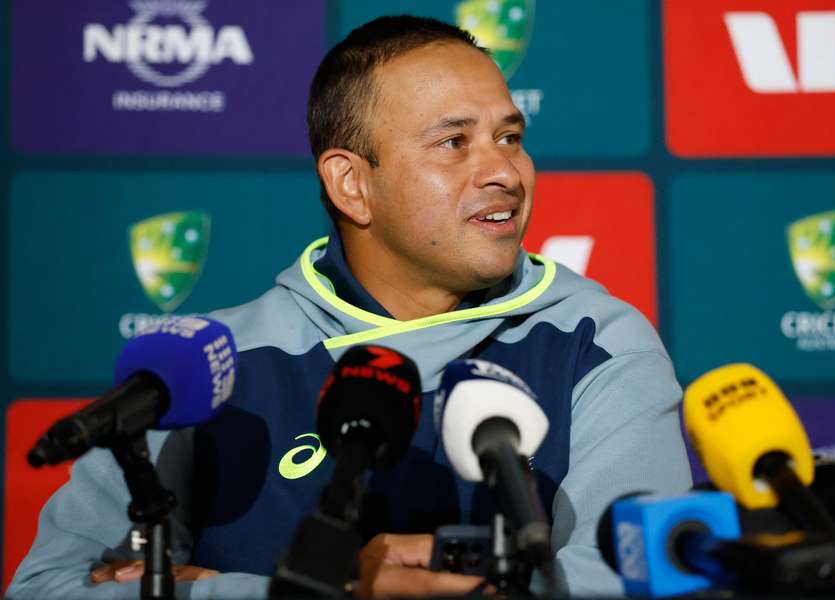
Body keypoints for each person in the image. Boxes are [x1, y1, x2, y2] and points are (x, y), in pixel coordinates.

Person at [8, 15, 691, 599]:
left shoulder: (598, 343)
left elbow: (636, 585)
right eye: (454, 143)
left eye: (509, 137)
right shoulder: (213, 362)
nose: (505, 173)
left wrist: (211, 583)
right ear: (351, 185)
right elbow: (47, 587)